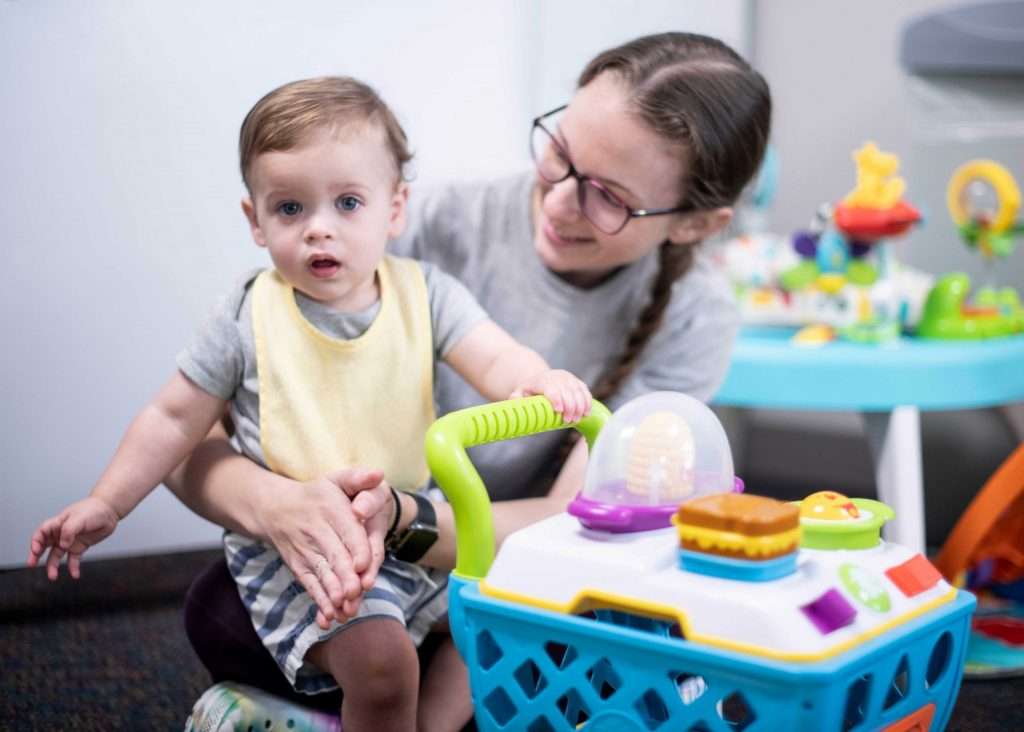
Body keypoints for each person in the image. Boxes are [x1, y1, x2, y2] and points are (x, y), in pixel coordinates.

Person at [173, 31, 771, 731]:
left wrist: (404, 521)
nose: (559, 202)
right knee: (236, 607)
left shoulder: (695, 317)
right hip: (354, 568)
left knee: (617, 673)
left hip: (500, 574)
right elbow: (185, 440)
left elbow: (576, 526)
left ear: (697, 224)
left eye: (607, 195)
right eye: (560, 151)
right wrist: (277, 505)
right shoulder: (417, 221)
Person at [26, 76, 592, 732]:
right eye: (290, 208)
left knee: (490, 628)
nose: (319, 230)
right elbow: (173, 417)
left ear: (395, 208)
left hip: (406, 529)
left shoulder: (426, 292)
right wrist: (108, 502)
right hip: (306, 549)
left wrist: (541, 381)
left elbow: (495, 358)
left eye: (348, 202)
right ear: (256, 221)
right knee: (384, 668)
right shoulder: (245, 315)